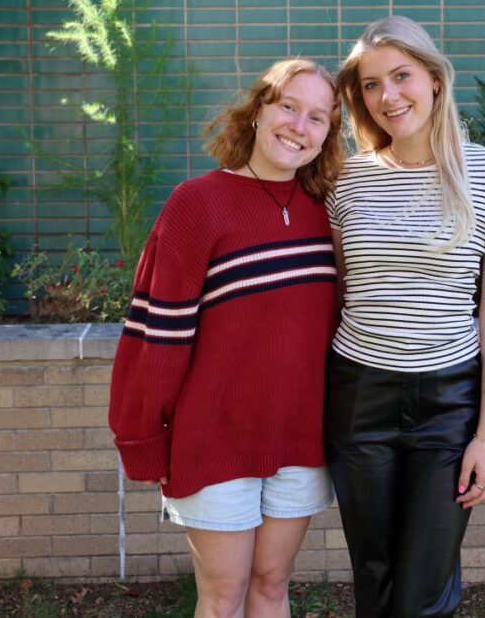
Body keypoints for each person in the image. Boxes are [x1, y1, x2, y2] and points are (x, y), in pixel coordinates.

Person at [109, 58, 344, 618]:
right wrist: (145, 437)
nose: (299, 126)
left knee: (272, 583)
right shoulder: (197, 204)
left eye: (318, 117)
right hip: (213, 436)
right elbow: (157, 334)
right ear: (258, 110)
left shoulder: (327, 212)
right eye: (288, 106)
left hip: (300, 439)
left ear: (328, 134)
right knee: (223, 595)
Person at [325, 16, 485, 617]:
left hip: (449, 401)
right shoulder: (347, 180)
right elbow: (338, 291)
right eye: (369, 85)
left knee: (424, 590)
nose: (388, 96)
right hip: (359, 393)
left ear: (435, 79)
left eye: (401, 76)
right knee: (376, 575)